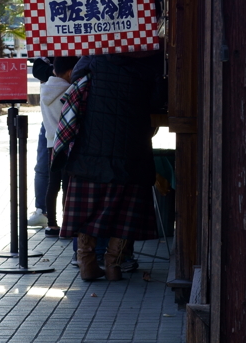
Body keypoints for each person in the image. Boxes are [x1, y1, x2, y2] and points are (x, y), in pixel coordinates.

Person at [58, 51, 161, 281]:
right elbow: (156, 101)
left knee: (88, 210)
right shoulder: (151, 60)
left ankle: (86, 263)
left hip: (92, 147)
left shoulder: (96, 55)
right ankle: (114, 265)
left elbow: (76, 77)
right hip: (132, 148)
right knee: (126, 213)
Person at [39, 56, 77, 234]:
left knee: (53, 184)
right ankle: (67, 224)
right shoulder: (71, 90)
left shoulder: (44, 89)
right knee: (68, 184)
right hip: (67, 142)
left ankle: (52, 224)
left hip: (50, 143)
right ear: (70, 72)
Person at [28, 57, 55, 228]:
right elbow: (37, 69)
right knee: (43, 167)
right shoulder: (46, 50)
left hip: (73, 118)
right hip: (49, 120)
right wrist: (55, 71)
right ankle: (42, 212)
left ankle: (47, 214)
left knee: (48, 168)